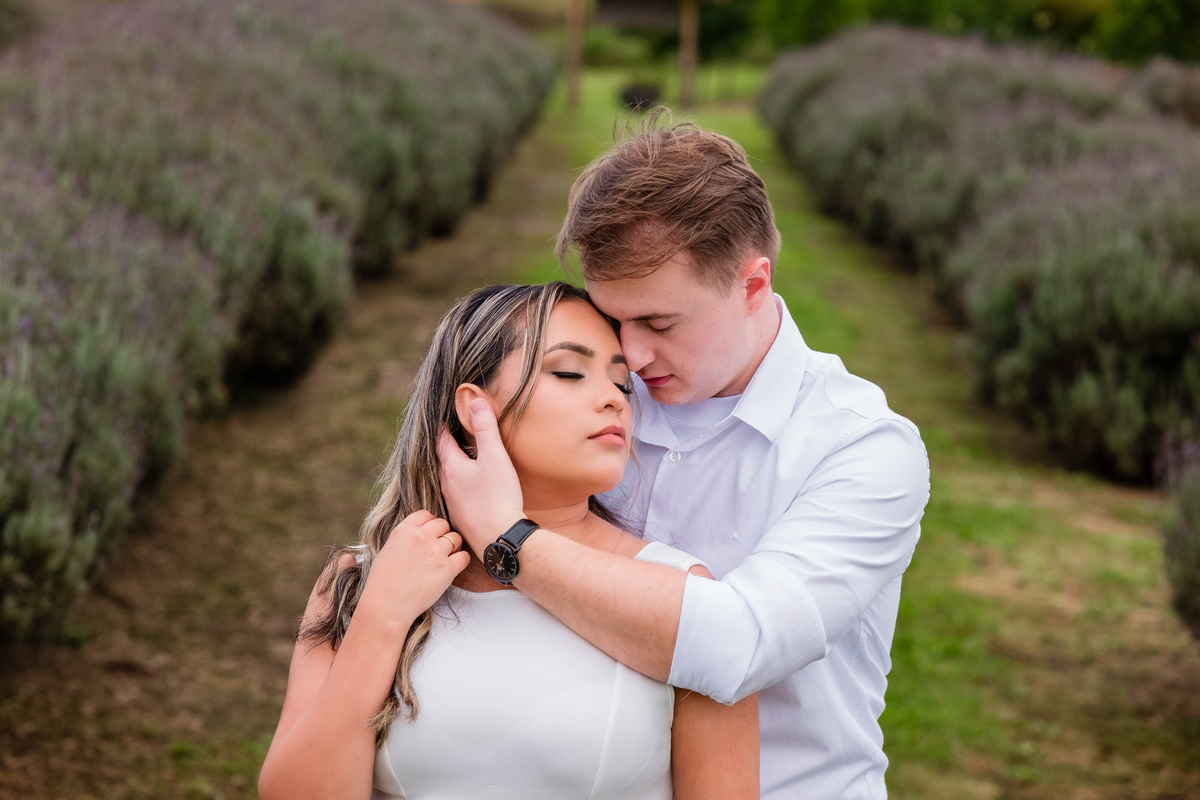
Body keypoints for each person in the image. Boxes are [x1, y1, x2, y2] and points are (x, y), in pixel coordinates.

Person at [438, 122, 932, 799]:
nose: (631, 361)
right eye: (614, 322)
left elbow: (737, 647)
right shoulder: (596, 402)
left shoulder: (862, 448)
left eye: (660, 324)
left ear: (752, 285)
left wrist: (511, 541)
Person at [258, 282, 759, 800]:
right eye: (569, 372)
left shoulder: (686, 598)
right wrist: (381, 616)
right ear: (475, 408)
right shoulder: (360, 580)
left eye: (623, 384)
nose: (614, 398)